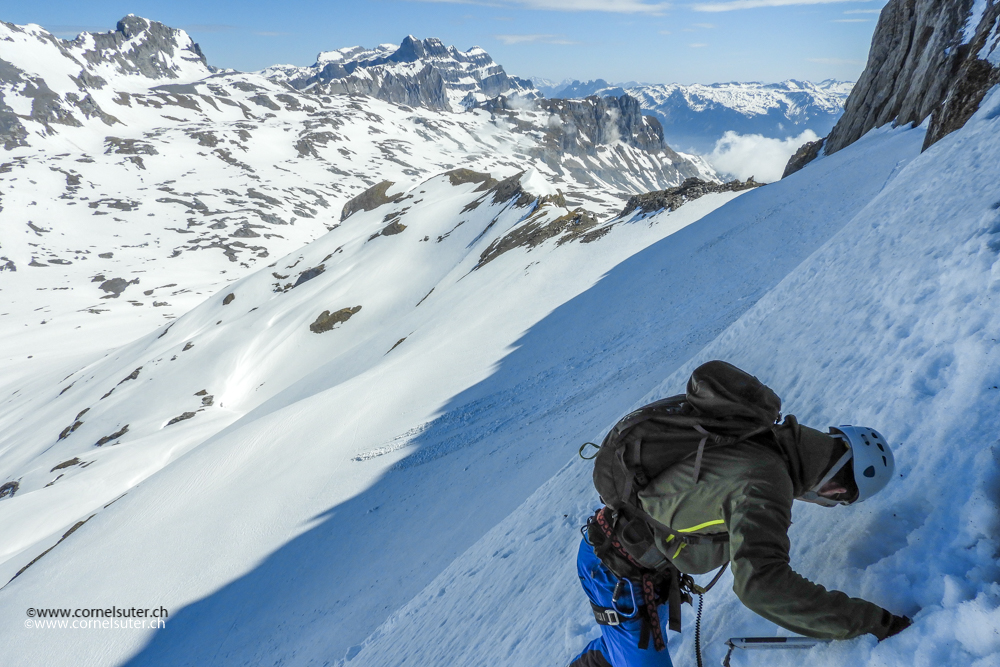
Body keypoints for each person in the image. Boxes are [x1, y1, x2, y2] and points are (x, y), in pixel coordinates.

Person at [569, 361, 912, 667]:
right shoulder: (766, 479)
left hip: (626, 560)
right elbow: (762, 585)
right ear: (839, 491)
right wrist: (875, 624)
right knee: (627, 651)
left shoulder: (764, 436)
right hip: (617, 576)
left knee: (622, 651)